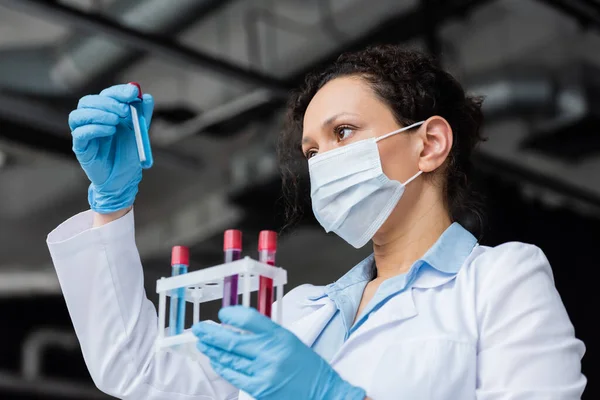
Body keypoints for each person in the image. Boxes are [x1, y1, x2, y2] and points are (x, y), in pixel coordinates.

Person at [47, 45, 586, 400]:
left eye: (344, 132)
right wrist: (112, 204)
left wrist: (332, 397)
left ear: (430, 143)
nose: (323, 161)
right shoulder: (295, 314)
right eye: (312, 150)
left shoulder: (499, 281)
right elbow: (140, 373)